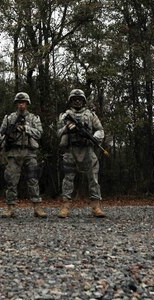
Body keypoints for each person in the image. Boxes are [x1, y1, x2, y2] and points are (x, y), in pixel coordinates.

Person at [56, 89, 106, 218]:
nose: (77, 101)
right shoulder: (65, 116)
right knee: (68, 179)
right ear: (70, 101)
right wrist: (67, 128)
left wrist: (94, 137)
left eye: (79, 99)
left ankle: (96, 206)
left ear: (83, 101)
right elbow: (58, 132)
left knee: (93, 178)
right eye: (74, 99)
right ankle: (65, 206)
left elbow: (100, 130)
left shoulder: (90, 115)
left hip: (87, 149)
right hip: (71, 149)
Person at [0, 92, 46, 218]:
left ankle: (37, 207)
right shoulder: (9, 118)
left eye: (23, 102)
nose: (21, 105)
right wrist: (9, 135)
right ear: (16, 104)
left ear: (27, 104)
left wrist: (26, 129)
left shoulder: (34, 118)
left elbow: (39, 133)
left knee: (33, 179)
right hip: (14, 152)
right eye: (19, 103)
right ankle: (10, 207)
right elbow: (0, 134)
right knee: (11, 180)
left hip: (30, 152)